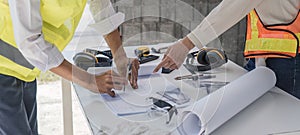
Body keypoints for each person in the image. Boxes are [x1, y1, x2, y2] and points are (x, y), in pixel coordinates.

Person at [0, 0, 139, 134]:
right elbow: (30, 43)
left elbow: (101, 7)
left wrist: (120, 57)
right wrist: (90, 81)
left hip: (25, 70)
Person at [154, 0, 300, 99]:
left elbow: (230, 9)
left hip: (286, 63)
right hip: (269, 57)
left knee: (282, 118)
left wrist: (186, 44)